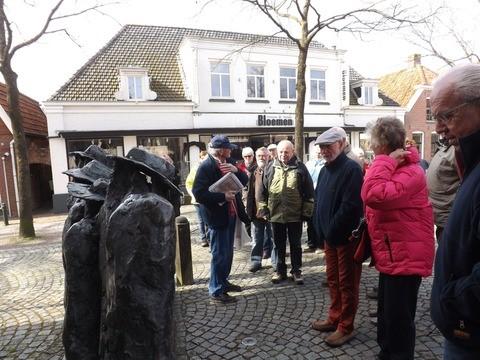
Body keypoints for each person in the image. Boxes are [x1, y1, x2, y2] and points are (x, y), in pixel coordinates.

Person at [362, 117, 435, 360]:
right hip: (394, 255)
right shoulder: (396, 168)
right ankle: (387, 354)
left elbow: (373, 195)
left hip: (405, 259)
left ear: (382, 145)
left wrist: (382, 162)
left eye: (373, 144)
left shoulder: (410, 172)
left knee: (399, 322)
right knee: (386, 317)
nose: (370, 149)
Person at [430, 64, 480, 359]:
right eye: (436, 117)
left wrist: (451, 299)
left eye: (447, 115)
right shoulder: (471, 158)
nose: (438, 127)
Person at [310, 127, 363, 347]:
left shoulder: (351, 169)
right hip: (330, 238)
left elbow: (350, 207)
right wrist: (318, 230)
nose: (323, 151)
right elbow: (319, 201)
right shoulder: (325, 170)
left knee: (347, 283)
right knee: (333, 280)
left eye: (328, 146)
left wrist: (330, 231)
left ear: (341, 143)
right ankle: (334, 317)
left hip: (345, 239)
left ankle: (346, 326)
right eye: (321, 147)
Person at [192, 135, 248, 304]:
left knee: (228, 253)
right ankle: (216, 291)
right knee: (219, 254)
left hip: (231, 214)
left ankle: (223, 282)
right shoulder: (206, 166)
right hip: (217, 217)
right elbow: (198, 194)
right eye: (228, 147)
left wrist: (237, 170)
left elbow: (244, 181)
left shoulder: (229, 161)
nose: (231, 150)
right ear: (220, 150)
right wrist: (222, 195)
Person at [258, 140, 314, 285]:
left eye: (287, 152)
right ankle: (279, 271)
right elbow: (263, 191)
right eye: (281, 152)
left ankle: (296, 271)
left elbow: (309, 192)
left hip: (295, 215)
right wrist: (264, 209)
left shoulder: (301, 168)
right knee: (278, 245)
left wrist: (306, 213)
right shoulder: (270, 167)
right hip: (275, 215)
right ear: (277, 152)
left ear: (293, 151)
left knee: (296, 245)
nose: (283, 155)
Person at [243, 147, 274, 273]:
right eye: (259, 155)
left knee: (273, 238)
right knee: (256, 239)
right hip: (255, 211)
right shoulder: (251, 171)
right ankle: (256, 261)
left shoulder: (274, 169)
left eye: (264, 155)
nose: (262, 158)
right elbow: (245, 190)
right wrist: (246, 203)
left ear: (269, 156)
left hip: (272, 211)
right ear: (256, 156)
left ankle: (275, 262)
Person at [426, 138, 461, 243]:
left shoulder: (458, 150)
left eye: (444, 120)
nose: (438, 128)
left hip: (450, 222)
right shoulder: (444, 146)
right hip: (440, 221)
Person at [185, 150, 210, 247]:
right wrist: (193, 195)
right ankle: (204, 238)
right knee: (201, 220)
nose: (205, 160)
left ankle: (208, 238)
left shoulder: (209, 168)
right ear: (200, 158)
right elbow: (188, 183)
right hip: (197, 200)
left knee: (207, 219)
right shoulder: (195, 169)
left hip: (206, 198)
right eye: (203, 158)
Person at [304, 144, 325, 253]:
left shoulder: (326, 164)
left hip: (321, 194)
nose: (318, 154)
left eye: (319, 152)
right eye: (316, 152)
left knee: (320, 220)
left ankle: (320, 244)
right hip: (310, 195)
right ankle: (311, 242)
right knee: (310, 220)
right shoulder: (308, 164)